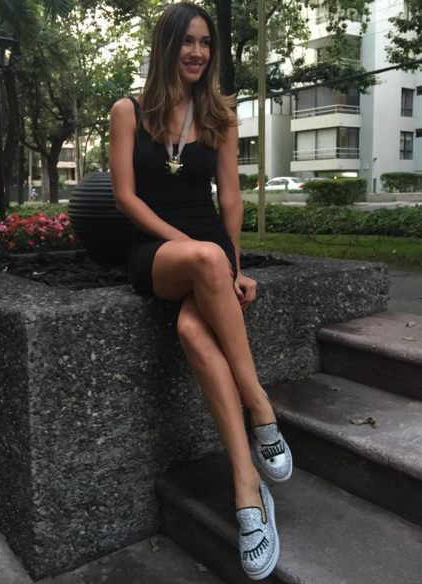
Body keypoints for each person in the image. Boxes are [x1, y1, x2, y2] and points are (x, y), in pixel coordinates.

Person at [108, 2, 292, 580]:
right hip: (155, 251)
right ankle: (260, 405)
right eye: (187, 41)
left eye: (205, 42)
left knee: (193, 330)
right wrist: (194, 248)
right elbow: (125, 197)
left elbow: (231, 199)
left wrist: (232, 265)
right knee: (204, 258)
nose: (197, 52)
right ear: (166, 46)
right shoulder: (128, 110)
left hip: (210, 254)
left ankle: (246, 487)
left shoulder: (220, 115)